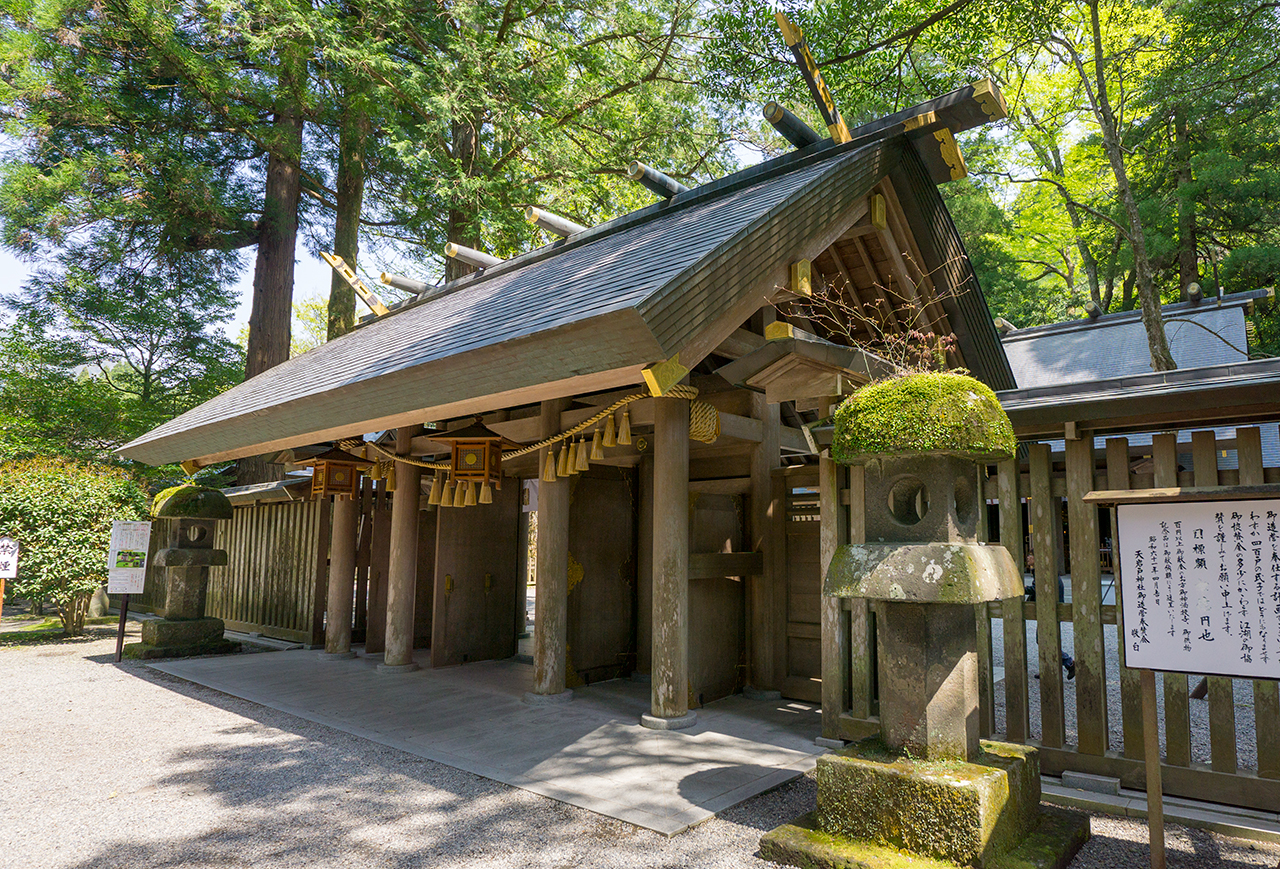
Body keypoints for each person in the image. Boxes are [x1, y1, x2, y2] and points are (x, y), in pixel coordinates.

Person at [1025, 549, 1076, 680]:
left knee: (1043, 639)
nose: (1028, 558)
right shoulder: (1045, 570)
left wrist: (1022, 589)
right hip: (1051, 608)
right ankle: (1049, 668)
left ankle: (1069, 663)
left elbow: (1037, 589)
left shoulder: (1042, 571)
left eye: (1030, 555)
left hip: (1049, 610)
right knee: (1045, 639)